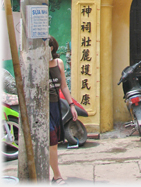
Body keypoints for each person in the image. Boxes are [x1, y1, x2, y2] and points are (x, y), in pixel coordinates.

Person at [49, 36, 77, 184]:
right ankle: (57, 176)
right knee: (52, 141)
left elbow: (64, 86)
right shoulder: (36, 64)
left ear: (51, 48)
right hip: (43, 108)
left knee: (54, 141)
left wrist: (71, 105)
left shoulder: (58, 63)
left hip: (55, 106)